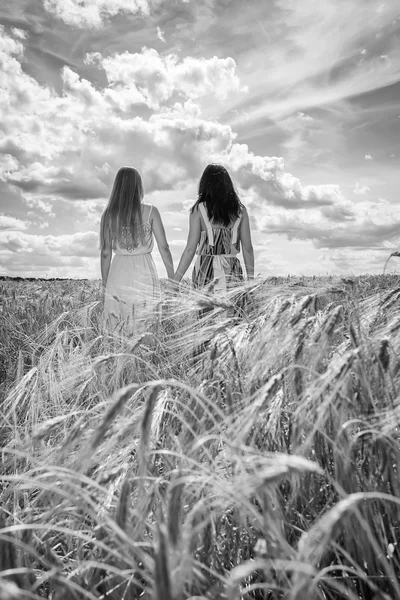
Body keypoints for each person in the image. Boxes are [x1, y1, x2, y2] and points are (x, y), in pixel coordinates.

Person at [100, 166, 174, 334]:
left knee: (117, 323)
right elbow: (164, 247)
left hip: (118, 271)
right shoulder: (151, 211)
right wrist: (172, 277)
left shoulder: (108, 215)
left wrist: (106, 283)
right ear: (138, 187)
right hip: (144, 269)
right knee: (145, 320)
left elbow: (105, 252)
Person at [172, 164, 254, 295]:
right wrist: (251, 282)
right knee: (232, 312)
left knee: (206, 313)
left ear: (205, 184)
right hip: (232, 270)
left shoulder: (198, 210)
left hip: (205, 269)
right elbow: (248, 248)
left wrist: (175, 282)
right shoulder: (240, 210)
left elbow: (190, 249)